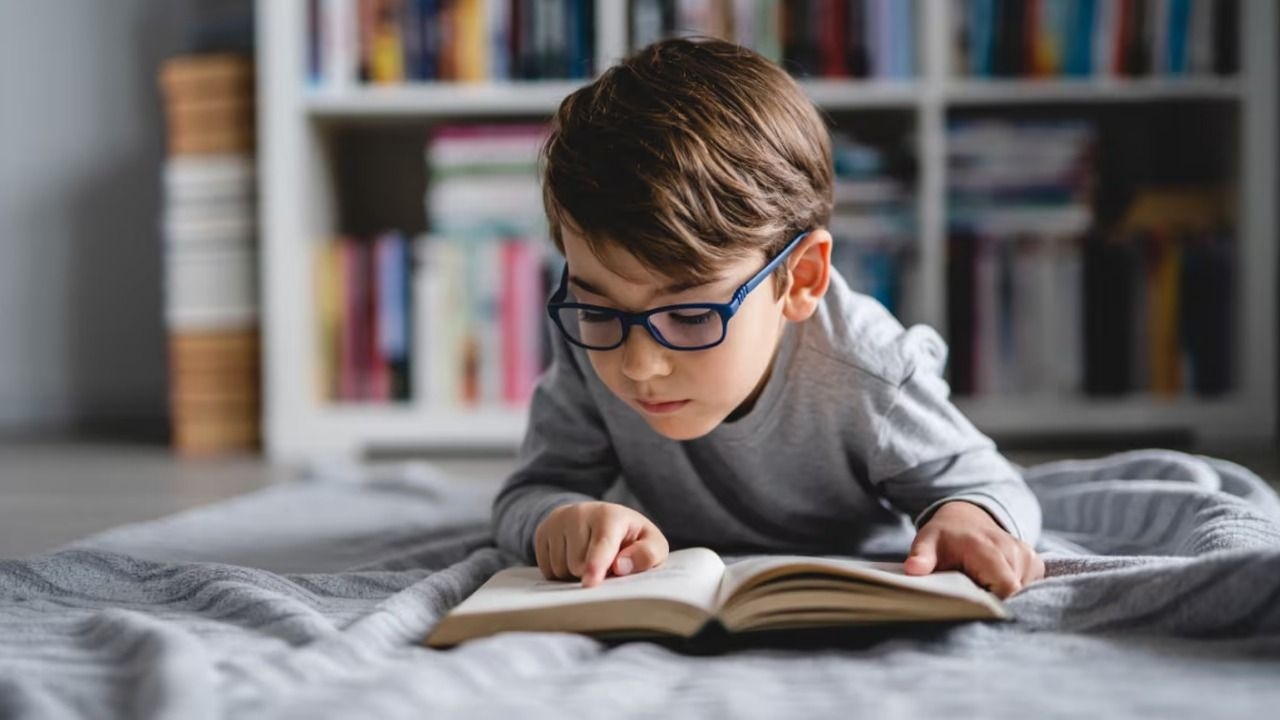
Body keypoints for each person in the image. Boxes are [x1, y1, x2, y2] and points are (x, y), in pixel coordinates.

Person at [492, 38, 1044, 598]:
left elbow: (992, 485)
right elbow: (532, 491)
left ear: (801, 279)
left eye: (688, 314)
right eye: (597, 308)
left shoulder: (869, 371)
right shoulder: (595, 343)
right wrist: (558, 520)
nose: (638, 364)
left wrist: (968, 519)